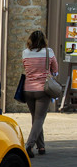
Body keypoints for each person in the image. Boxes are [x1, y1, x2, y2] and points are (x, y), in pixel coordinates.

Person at [22, 30, 58, 158]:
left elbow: (25, 68)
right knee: (39, 119)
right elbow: (55, 70)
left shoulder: (25, 53)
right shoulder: (49, 52)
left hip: (28, 89)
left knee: (36, 118)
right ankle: (29, 145)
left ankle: (41, 146)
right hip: (43, 89)